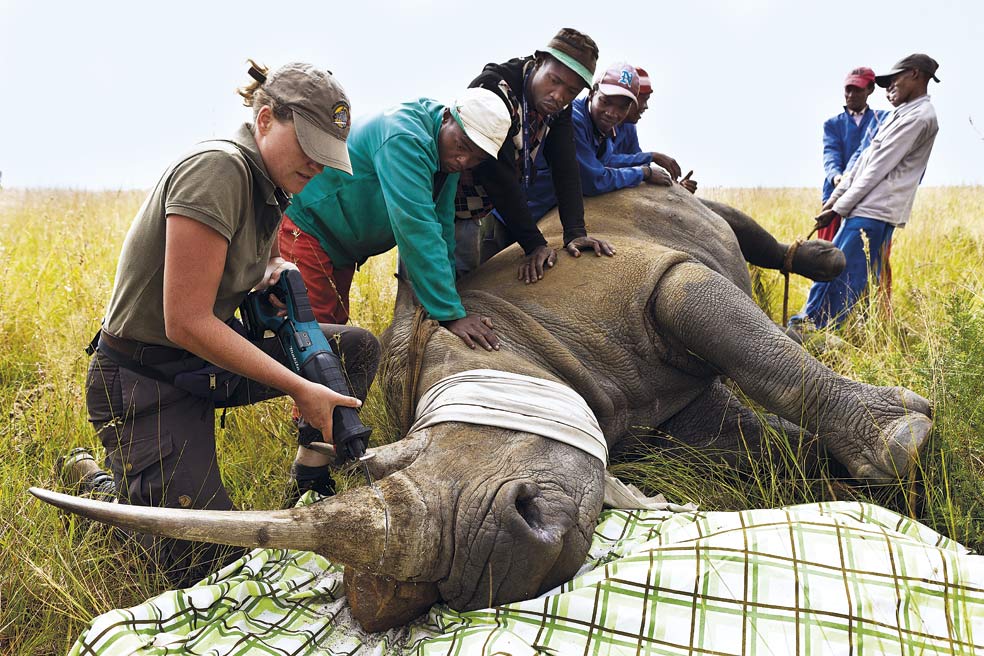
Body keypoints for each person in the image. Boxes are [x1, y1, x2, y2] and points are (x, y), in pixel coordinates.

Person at [70, 61, 381, 586]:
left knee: (355, 349)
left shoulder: (272, 182)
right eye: (306, 146)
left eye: (325, 155)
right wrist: (300, 389)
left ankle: (310, 475)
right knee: (210, 564)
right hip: (145, 379)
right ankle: (95, 485)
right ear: (264, 120)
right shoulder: (218, 169)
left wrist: (267, 271)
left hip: (206, 362)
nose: (316, 166)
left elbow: (222, 267)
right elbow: (186, 321)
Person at [281, 89, 511, 351]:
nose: (463, 161)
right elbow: (417, 228)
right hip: (309, 228)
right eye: (462, 147)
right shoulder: (405, 137)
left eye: (476, 158)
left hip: (340, 246)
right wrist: (450, 313)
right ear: (447, 116)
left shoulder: (444, 153)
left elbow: (442, 227)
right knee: (315, 334)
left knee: (334, 328)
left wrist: (451, 295)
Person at [790, 54, 940, 332]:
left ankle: (808, 330)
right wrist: (834, 201)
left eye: (895, 79)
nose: (889, 87)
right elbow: (862, 160)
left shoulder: (919, 117)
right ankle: (821, 330)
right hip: (860, 206)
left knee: (839, 275)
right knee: (848, 274)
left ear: (916, 75)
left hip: (871, 210)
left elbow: (875, 170)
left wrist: (838, 207)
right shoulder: (899, 113)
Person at [454, 28, 614, 283]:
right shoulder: (495, 89)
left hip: (475, 213)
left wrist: (575, 232)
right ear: (538, 61)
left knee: (463, 284)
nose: (559, 95)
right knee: (430, 292)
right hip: (443, 205)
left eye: (572, 91)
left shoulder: (557, 107)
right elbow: (495, 174)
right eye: (554, 80)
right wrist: (534, 244)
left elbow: (565, 165)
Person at [819, 67, 890, 240]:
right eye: (848, 89)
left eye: (857, 90)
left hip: (870, 196)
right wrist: (836, 177)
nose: (851, 95)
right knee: (827, 247)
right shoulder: (833, 124)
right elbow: (830, 154)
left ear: (870, 90)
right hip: (835, 191)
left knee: (869, 250)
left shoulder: (883, 119)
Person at [608, 66, 688, 184]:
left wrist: (676, 186)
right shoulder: (601, 121)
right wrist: (652, 156)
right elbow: (602, 163)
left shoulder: (628, 127)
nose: (646, 106)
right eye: (644, 99)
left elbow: (640, 164)